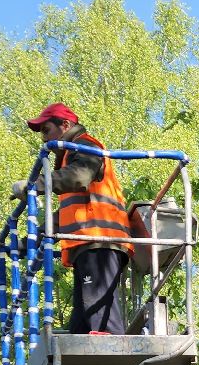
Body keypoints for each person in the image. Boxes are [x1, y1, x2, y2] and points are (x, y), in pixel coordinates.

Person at [22, 103, 132, 334]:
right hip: (88, 242)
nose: (43, 139)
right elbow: (69, 212)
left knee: (102, 322)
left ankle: (110, 356)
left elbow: (80, 177)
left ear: (65, 125)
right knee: (82, 326)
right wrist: (34, 238)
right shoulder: (70, 157)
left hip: (100, 239)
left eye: (46, 130)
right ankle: (95, 362)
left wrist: (36, 184)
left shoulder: (85, 146)